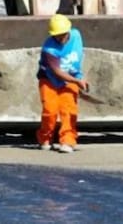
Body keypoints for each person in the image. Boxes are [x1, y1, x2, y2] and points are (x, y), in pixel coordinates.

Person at [35, 14, 88, 154]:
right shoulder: (49, 47)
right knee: (50, 110)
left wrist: (78, 77)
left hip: (71, 77)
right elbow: (57, 71)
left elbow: (80, 54)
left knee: (69, 110)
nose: (60, 38)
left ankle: (68, 141)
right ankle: (45, 138)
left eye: (63, 34)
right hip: (49, 79)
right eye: (57, 35)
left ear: (68, 31)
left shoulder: (76, 35)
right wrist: (77, 81)